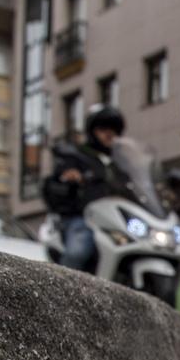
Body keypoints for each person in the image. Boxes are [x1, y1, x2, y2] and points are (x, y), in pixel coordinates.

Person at [42, 104, 127, 272]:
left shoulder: (121, 164)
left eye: (114, 129)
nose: (109, 133)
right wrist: (68, 179)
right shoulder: (75, 156)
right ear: (92, 131)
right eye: (103, 128)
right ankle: (62, 289)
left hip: (115, 220)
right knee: (77, 252)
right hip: (82, 218)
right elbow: (54, 187)